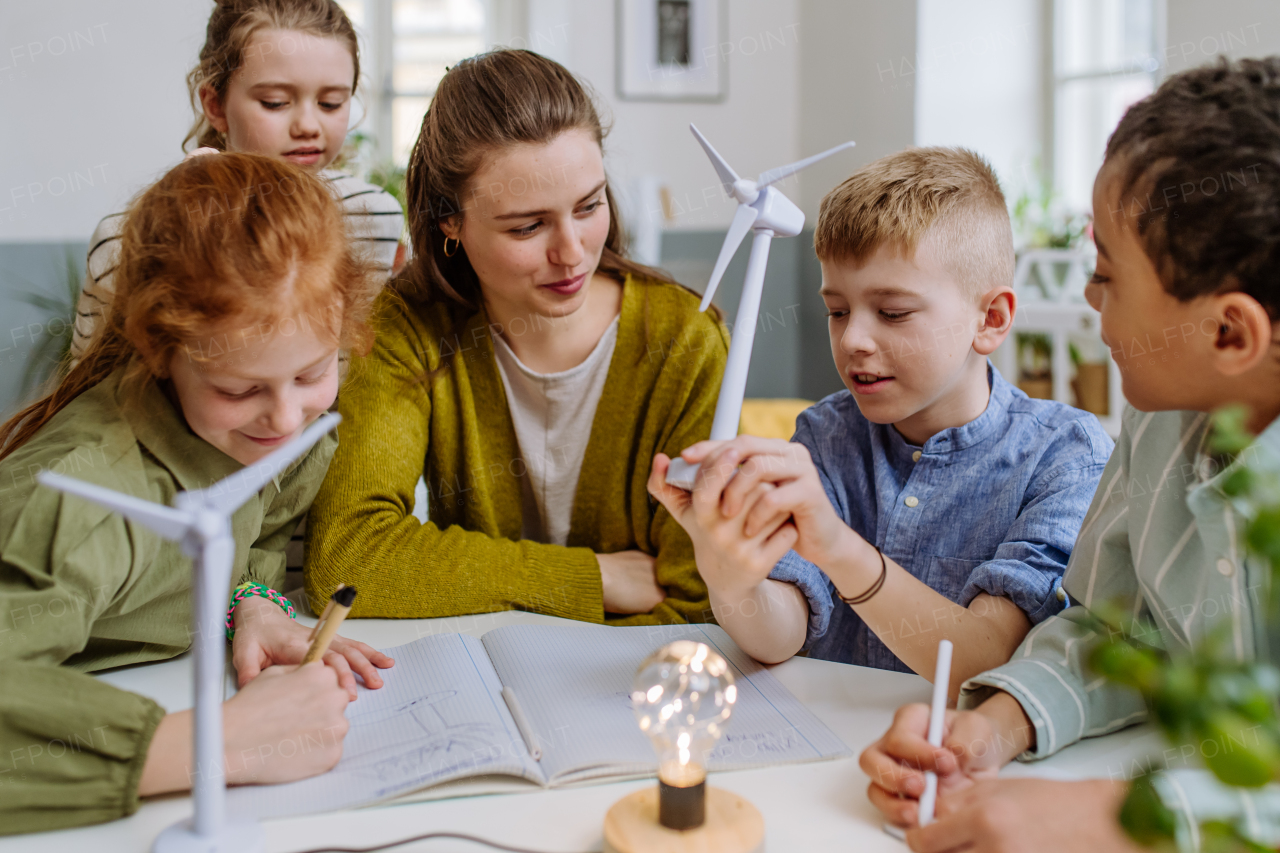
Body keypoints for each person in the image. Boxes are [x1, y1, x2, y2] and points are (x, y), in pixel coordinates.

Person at [861, 57, 1280, 853]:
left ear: (1228, 333)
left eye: (1106, 276)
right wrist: (990, 728)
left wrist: (1127, 823)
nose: (1090, 300)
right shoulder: (1161, 424)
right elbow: (1115, 628)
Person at [0, 153, 392, 834]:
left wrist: (254, 602)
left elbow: (261, 527)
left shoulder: (279, 436)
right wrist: (221, 744)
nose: (285, 417)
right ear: (159, 350)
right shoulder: (82, 502)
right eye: (240, 390)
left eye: (313, 372)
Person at [649, 147, 1113, 695]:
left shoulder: (1065, 456)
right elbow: (778, 636)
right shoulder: (824, 435)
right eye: (837, 311)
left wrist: (837, 547)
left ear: (990, 320)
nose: (852, 340)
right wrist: (728, 571)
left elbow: (985, 661)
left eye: (892, 313)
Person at [305, 49, 727, 624]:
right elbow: (348, 562)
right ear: (450, 221)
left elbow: (697, 599)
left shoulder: (685, 340)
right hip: (482, 677)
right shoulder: (408, 328)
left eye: (589, 205)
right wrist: (594, 577)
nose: (572, 252)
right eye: (527, 226)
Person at [69, 0, 404, 364]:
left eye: (330, 103)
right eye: (275, 102)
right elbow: (88, 401)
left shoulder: (373, 218)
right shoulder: (127, 240)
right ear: (215, 106)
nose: (308, 125)